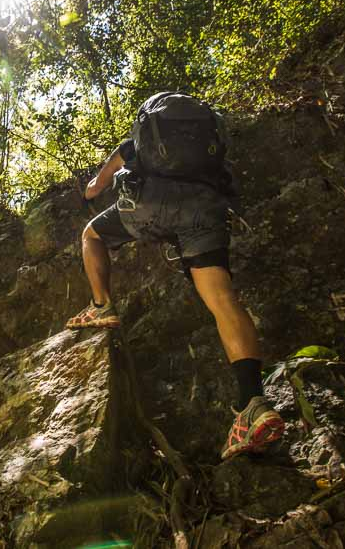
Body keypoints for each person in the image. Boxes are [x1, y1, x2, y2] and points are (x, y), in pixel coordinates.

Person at [65, 92, 284, 460]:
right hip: (204, 208)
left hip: (152, 204)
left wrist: (91, 190)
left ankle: (101, 305)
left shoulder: (140, 139)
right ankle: (253, 404)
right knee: (222, 301)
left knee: (91, 234)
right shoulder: (206, 138)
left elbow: (97, 185)